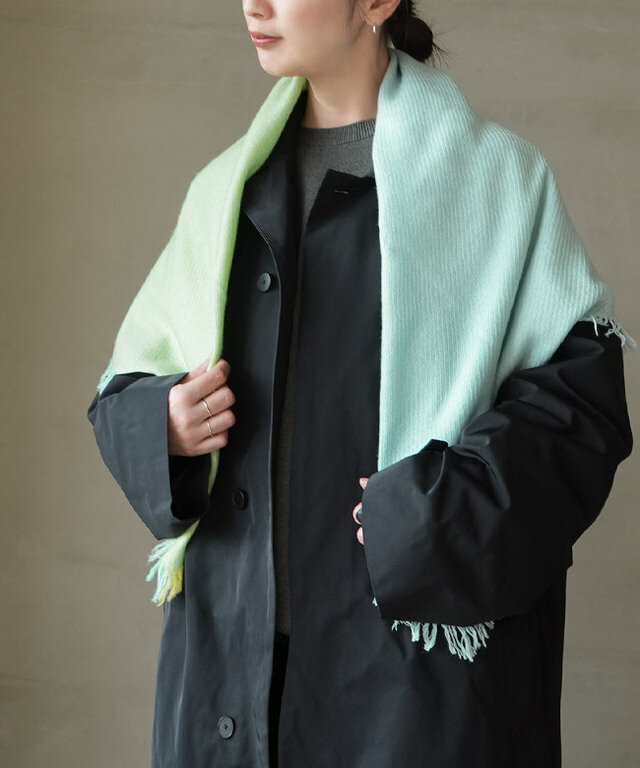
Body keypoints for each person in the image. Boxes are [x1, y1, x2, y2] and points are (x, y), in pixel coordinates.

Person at [86, 1, 634, 766]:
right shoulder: (224, 192)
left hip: (413, 692)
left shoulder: (494, 180)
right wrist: (165, 425)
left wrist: (433, 512)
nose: (254, 4)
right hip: (233, 679)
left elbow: (579, 411)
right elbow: (126, 385)